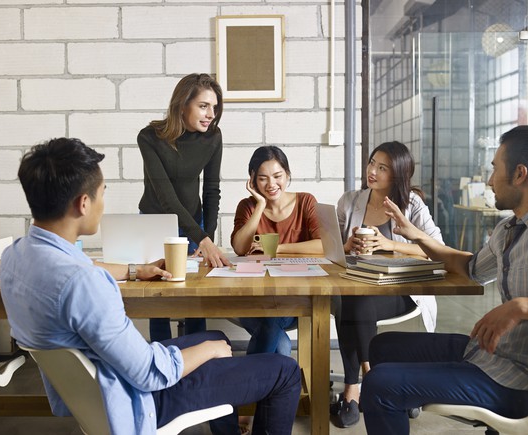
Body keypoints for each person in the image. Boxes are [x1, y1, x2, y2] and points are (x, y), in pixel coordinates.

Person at [0, 137, 301, 435]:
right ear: (83, 203)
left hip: (93, 391)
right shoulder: (86, 285)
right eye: (102, 193)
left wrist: (134, 270)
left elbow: (79, 263)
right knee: (284, 371)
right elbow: (149, 373)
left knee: (215, 335)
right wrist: (207, 351)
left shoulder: (15, 256)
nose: (103, 202)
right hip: (136, 398)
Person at [360, 125, 528, 435]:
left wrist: (523, 307)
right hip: (491, 353)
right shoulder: (509, 229)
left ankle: (396, 397)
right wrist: (415, 234)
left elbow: (521, 305)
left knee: (381, 385)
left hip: (522, 383)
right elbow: (471, 267)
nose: (489, 182)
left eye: (494, 170)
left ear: (519, 174)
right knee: (383, 346)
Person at [331, 141, 443, 428]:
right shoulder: (350, 200)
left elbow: (438, 249)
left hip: (399, 291)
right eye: (372, 163)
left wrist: (389, 243)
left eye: (383, 168)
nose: (373, 171)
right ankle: (365, 384)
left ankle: (363, 385)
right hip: (357, 287)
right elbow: (333, 250)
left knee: (357, 299)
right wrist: (346, 245)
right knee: (348, 297)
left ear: (398, 174)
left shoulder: (411, 204)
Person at [137, 73, 231, 342]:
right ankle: (161, 357)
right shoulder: (149, 137)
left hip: (194, 220)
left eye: (214, 107)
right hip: (155, 221)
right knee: (159, 296)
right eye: (203, 106)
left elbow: (211, 190)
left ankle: (196, 356)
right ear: (182, 105)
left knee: (195, 292)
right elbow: (165, 197)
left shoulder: (213, 137)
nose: (211, 114)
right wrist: (201, 237)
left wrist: (206, 238)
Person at [231, 146, 323, 356]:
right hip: (252, 297)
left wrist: (276, 249)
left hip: (293, 297)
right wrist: (261, 205)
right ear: (253, 180)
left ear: (288, 175)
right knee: (280, 343)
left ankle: (249, 384)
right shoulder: (247, 206)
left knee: (273, 321)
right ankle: (282, 385)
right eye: (263, 178)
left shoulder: (306, 201)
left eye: (277, 176)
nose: (271, 184)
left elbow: (322, 245)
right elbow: (239, 247)